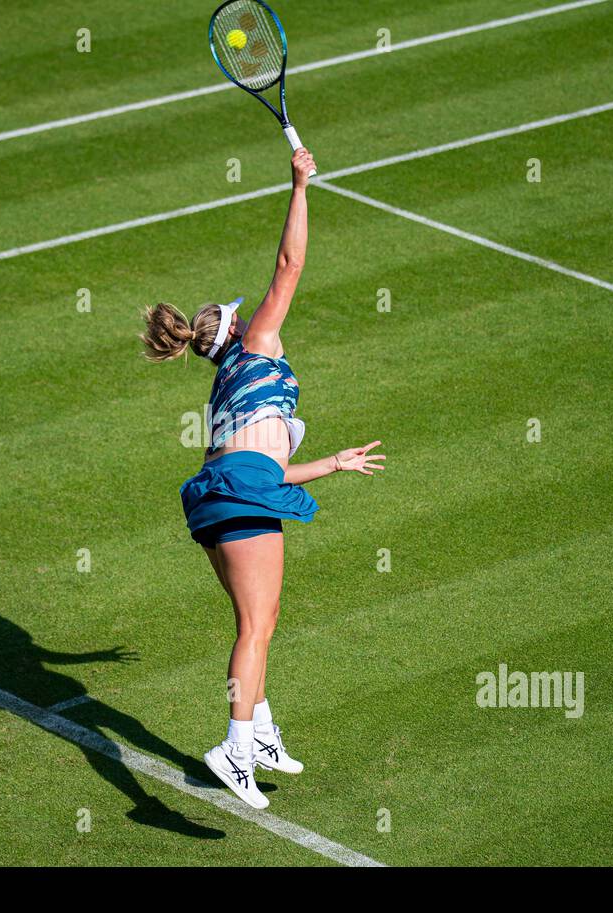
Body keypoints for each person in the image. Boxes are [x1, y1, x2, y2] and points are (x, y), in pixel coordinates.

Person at [138, 147, 386, 808]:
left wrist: (330, 465)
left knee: (255, 618)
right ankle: (236, 746)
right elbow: (290, 265)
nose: (255, 317)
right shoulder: (257, 347)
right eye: (244, 317)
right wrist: (299, 184)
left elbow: (265, 462)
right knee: (258, 625)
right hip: (242, 491)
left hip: (219, 496)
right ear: (238, 331)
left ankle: (262, 727)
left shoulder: (227, 381)